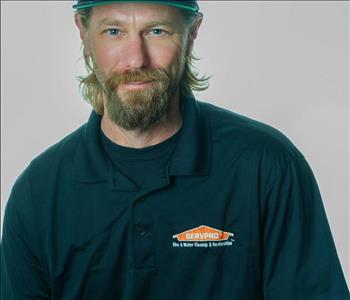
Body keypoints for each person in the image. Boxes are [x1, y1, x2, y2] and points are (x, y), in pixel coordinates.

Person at [1, 0, 349, 299]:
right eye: (114, 32)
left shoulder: (265, 166)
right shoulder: (39, 193)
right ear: (83, 32)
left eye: (157, 31)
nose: (136, 60)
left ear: (192, 33)